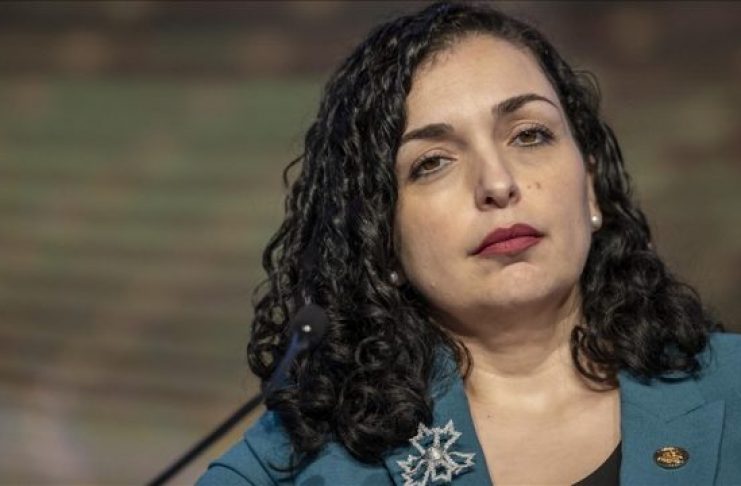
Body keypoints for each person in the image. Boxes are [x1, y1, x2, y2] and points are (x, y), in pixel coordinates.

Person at [197, 2, 740, 485]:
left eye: (529, 134)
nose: (497, 183)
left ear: (591, 186)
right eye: (433, 162)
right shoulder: (301, 467)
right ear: (380, 238)